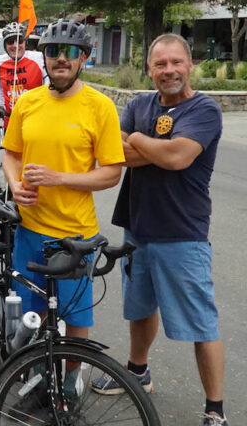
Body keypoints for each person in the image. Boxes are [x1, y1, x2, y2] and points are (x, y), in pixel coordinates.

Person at [90, 34, 228, 426]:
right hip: (138, 226)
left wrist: (136, 139)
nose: (169, 71)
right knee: (139, 307)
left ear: (190, 64)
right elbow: (114, 153)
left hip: (182, 232)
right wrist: (152, 149)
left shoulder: (204, 109)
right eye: (160, 64)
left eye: (176, 62)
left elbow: (178, 157)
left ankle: (215, 410)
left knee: (201, 322)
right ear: (149, 68)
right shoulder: (138, 104)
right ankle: (138, 371)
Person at [1, 18, 124, 405]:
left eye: (71, 53)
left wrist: (59, 178)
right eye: (53, 51)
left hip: (75, 235)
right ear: (46, 58)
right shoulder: (28, 102)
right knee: (32, 312)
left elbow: (111, 173)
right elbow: (11, 152)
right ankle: (39, 379)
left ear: (84, 59)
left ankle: (71, 383)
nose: (61, 59)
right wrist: (15, 184)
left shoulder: (100, 107)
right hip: (30, 230)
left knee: (76, 319)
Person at [0, 21, 47, 128]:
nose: (15, 46)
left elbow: (48, 86)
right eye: (10, 42)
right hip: (10, 119)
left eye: (19, 41)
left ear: (25, 42)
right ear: (5, 44)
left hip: (34, 119)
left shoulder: (39, 59)